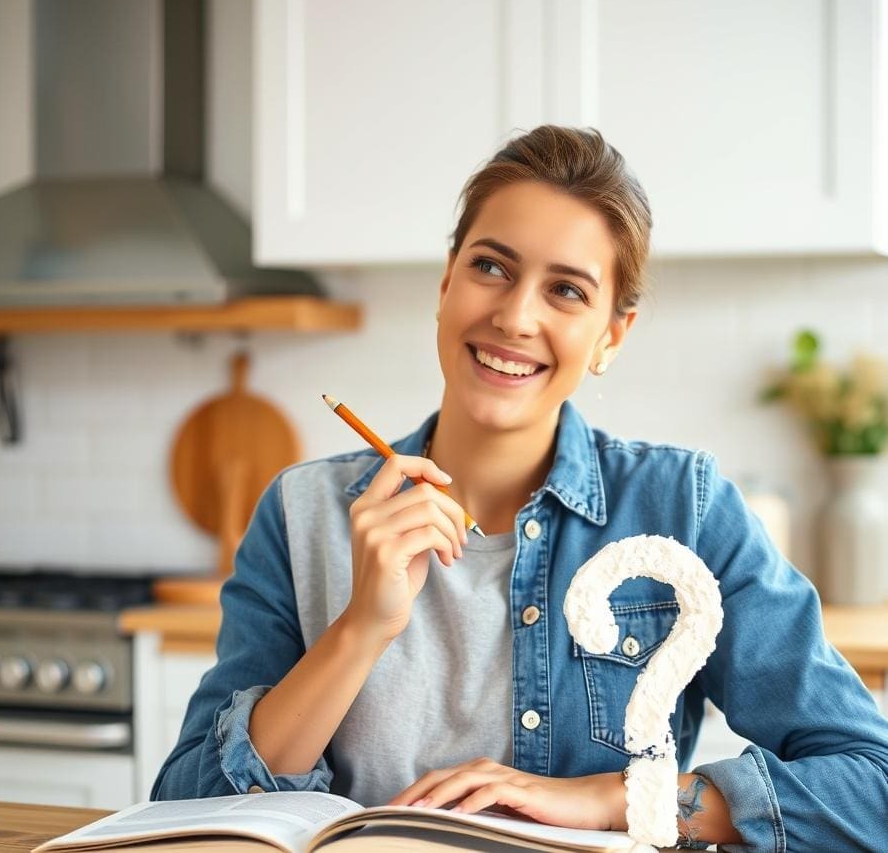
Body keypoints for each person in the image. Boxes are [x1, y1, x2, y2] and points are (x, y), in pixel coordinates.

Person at [152, 126, 888, 850]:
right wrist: (360, 630)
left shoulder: (684, 509)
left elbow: (870, 784)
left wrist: (613, 800)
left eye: (566, 290)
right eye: (491, 268)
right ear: (446, 284)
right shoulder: (300, 513)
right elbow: (187, 810)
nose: (514, 316)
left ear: (611, 336)